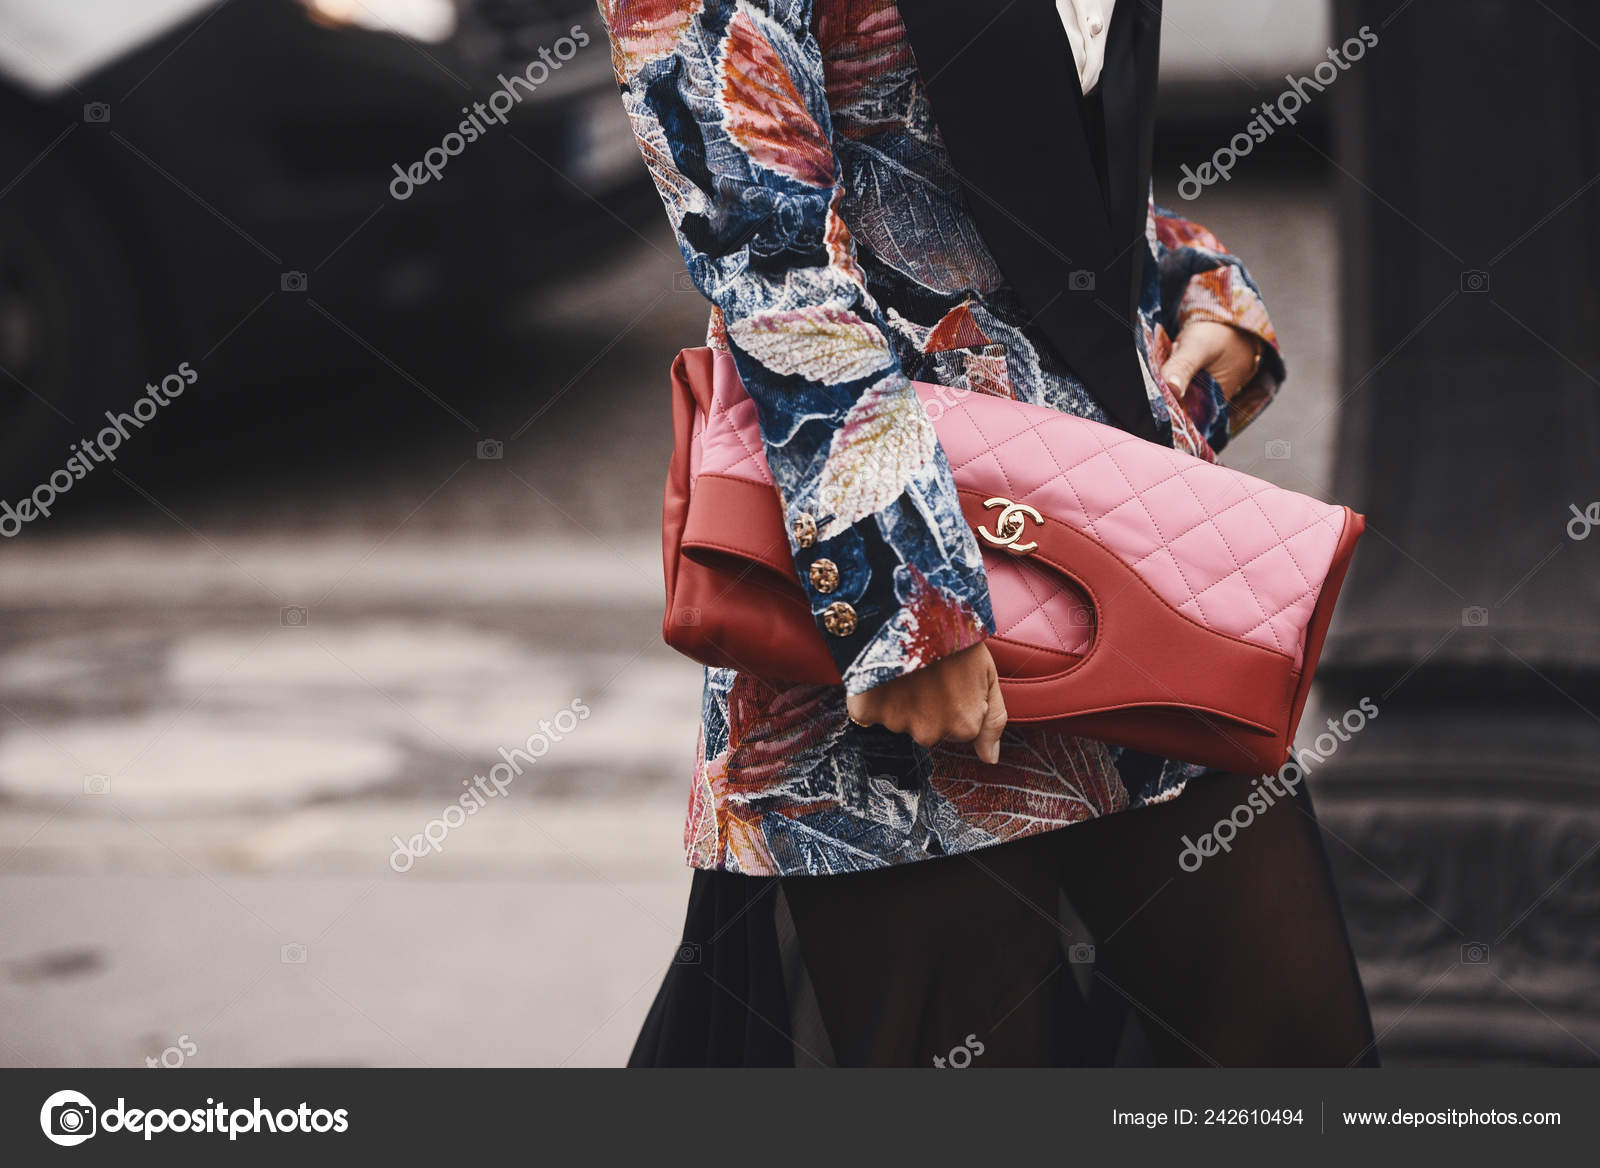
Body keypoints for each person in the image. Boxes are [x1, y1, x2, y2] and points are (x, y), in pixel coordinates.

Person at [598, 0, 1378, 1066]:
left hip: (1130, 562)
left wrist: (1184, 284)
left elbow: (1015, 131)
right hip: (902, 611)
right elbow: (764, 249)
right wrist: (907, 604)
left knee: (1294, 1047)